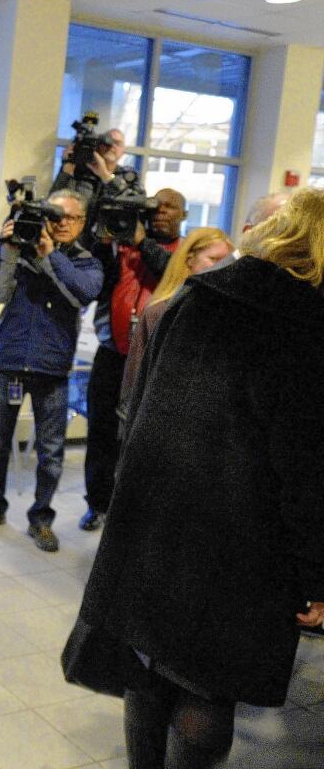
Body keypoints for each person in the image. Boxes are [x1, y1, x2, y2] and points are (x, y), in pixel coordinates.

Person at [65, 185, 324, 769]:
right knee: (208, 686)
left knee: (150, 668)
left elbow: (141, 416)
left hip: (154, 523)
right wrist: (316, 572)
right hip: (241, 543)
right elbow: (303, 469)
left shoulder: (191, 300)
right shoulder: (305, 328)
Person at [0, 189, 103, 552]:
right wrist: (9, 251)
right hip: (10, 362)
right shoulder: (19, 248)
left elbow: (80, 295)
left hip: (53, 369)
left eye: (69, 217)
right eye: (54, 214)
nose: (60, 222)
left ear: (81, 223)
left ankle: (41, 518)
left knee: (51, 451)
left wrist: (48, 256)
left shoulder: (87, 262)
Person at [77, 187, 186, 531]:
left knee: (142, 440)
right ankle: (97, 504)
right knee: (101, 435)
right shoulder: (123, 245)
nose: (160, 212)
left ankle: (134, 512)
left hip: (156, 361)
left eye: (170, 207)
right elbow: (94, 280)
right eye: (155, 206)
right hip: (112, 356)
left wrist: (141, 243)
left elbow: (173, 275)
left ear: (183, 215)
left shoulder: (183, 254)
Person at [115, 227, 232, 429]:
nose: (222, 267)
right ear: (190, 260)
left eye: (227, 261)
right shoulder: (160, 312)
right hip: (157, 424)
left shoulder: (230, 316)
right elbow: (134, 382)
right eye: (214, 259)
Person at [52, 126, 145, 236]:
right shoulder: (79, 172)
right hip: (78, 240)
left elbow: (137, 204)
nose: (111, 146)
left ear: (123, 150)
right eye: (108, 141)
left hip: (112, 240)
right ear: (99, 146)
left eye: (117, 143)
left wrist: (106, 176)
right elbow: (55, 202)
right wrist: (67, 167)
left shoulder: (129, 176)